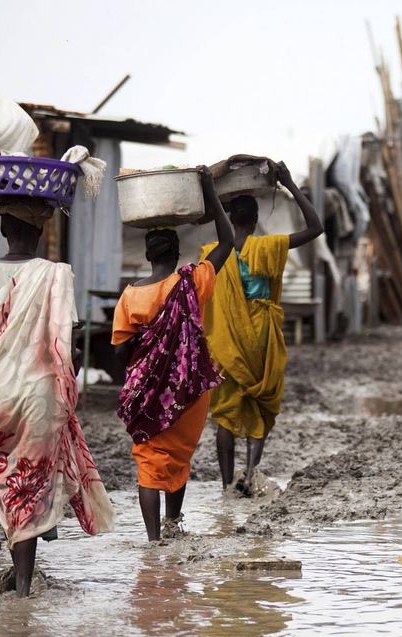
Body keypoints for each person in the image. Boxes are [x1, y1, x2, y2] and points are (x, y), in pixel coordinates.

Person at [0, 198, 115, 597]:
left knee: (11, 483)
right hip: (43, 398)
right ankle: (26, 580)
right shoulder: (56, 276)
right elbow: (71, 351)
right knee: (32, 479)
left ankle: (23, 588)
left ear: (4, 229)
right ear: (41, 233)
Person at [112, 167, 235, 541]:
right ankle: (174, 522)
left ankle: (153, 541)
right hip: (189, 390)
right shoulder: (192, 281)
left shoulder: (131, 295)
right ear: (177, 252)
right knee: (179, 456)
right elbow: (227, 243)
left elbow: (119, 350)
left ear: (147, 255)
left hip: (148, 392)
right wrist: (211, 193)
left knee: (149, 461)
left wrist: (141, 375)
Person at [201, 160, 323, 495]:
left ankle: (227, 486)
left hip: (224, 341)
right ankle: (251, 474)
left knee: (224, 413)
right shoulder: (268, 247)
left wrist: (209, 191)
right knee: (261, 404)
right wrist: (289, 185)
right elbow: (315, 228)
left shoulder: (211, 254)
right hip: (262, 339)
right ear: (255, 221)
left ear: (228, 219)